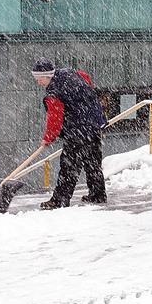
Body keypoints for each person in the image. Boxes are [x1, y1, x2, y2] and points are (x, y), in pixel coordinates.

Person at [32, 58, 108, 209]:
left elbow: (55, 119)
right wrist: (85, 105)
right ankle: (98, 194)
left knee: (69, 166)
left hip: (78, 130)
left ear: (47, 76)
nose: (38, 83)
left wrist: (48, 138)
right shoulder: (70, 73)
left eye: (39, 79)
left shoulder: (54, 92)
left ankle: (59, 200)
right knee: (92, 162)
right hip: (94, 123)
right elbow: (86, 78)